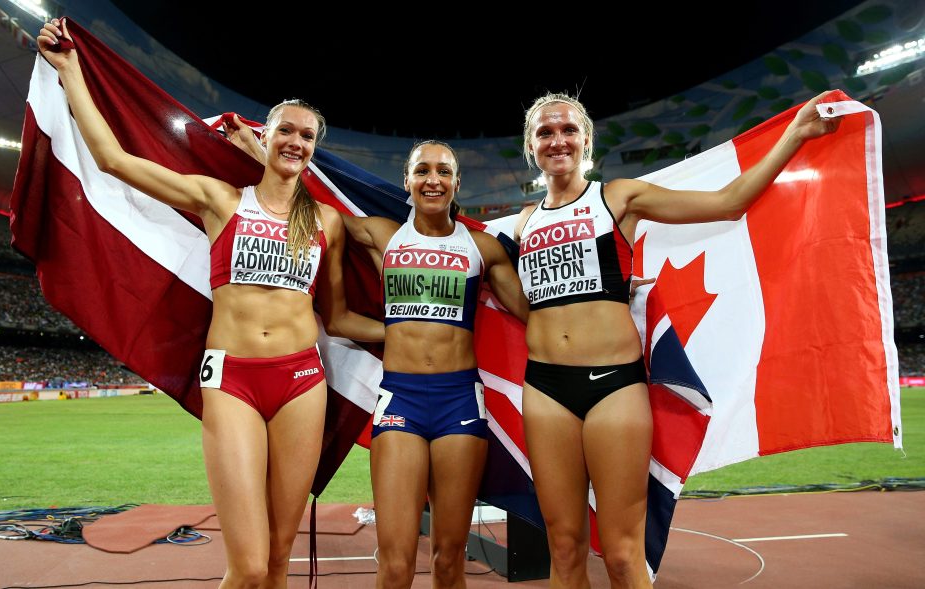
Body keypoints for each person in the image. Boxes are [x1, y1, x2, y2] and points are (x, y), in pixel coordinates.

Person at [37, 19, 384, 589]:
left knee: (276, 562)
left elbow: (340, 316)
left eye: (307, 136)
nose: (296, 142)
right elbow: (114, 160)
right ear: (266, 137)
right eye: (286, 132)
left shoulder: (327, 223)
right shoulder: (219, 199)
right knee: (246, 567)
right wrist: (72, 72)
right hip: (232, 379)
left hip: (303, 381)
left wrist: (413, 335)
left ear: (313, 148)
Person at [514, 91, 840, 589]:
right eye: (545, 132)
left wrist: (794, 134)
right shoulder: (522, 222)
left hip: (613, 387)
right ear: (530, 146)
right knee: (563, 547)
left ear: (585, 140)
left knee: (623, 556)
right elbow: (522, 302)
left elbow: (729, 204)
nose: (557, 140)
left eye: (567, 130)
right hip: (544, 389)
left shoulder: (618, 197)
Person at [345, 141, 528, 588]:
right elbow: (308, 209)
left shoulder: (482, 248)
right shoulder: (382, 235)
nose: (433, 180)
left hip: (459, 402)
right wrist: (259, 157)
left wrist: (607, 298)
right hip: (399, 399)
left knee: (449, 560)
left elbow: (532, 313)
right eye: (422, 171)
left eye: (443, 172)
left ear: (456, 183)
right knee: (395, 562)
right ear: (407, 181)